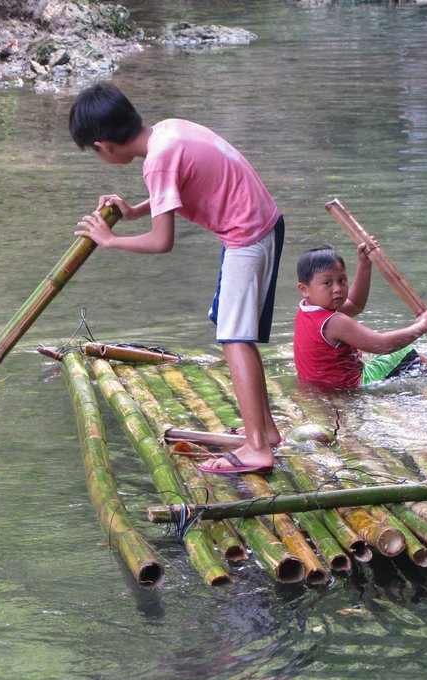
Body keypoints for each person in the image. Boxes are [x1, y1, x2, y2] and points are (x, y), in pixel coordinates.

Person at [69, 82, 283, 475]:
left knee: (235, 338)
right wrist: (133, 211)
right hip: (259, 226)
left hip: (247, 236)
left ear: (103, 145)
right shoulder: (167, 131)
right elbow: (173, 190)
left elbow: (161, 241)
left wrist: (111, 241)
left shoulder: (157, 160)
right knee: (235, 331)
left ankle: (257, 448)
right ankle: (264, 432)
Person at [293, 243, 427, 390]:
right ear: (304, 289)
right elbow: (382, 345)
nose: (337, 289)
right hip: (351, 385)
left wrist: (364, 264)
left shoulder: (306, 309)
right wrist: (422, 326)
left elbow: (355, 305)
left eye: (342, 280)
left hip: (319, 384)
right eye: (327, 283)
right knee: (407, 351)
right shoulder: (335, 322)